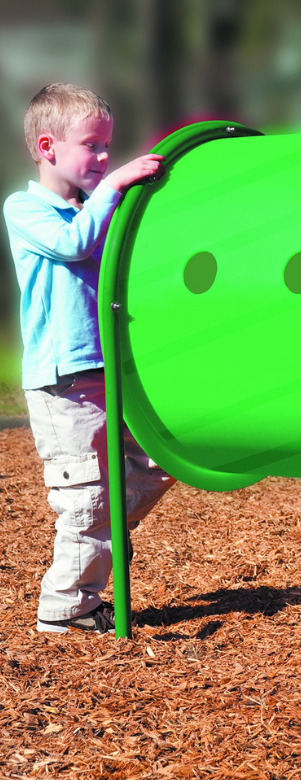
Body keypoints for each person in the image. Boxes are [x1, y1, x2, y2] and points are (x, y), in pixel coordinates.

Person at [3, 83, 176, 634]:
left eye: (109, 147)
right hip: (63, 383)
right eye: (93, 146)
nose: (105, 158)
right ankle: (65, 607)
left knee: (162, 457)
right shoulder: (26, 208)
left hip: (112, 372)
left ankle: (100, 527)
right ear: (47, 147)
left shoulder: (99, 209)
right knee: (85, 493)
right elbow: (75, 243)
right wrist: (119, 183)